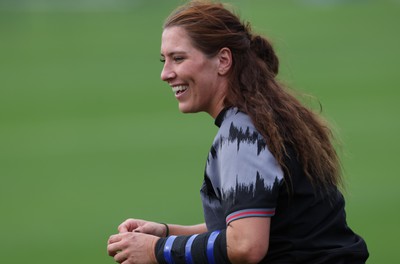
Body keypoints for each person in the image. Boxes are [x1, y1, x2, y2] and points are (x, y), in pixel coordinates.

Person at [107, 1, 369, 263]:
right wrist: (165, 234)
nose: (165, 74)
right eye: (164, 60)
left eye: (178, 58)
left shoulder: (243, 133)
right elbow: (253, 225)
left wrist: (158, 251)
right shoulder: (266, 117)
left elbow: (246, 245)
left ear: (223, 60)